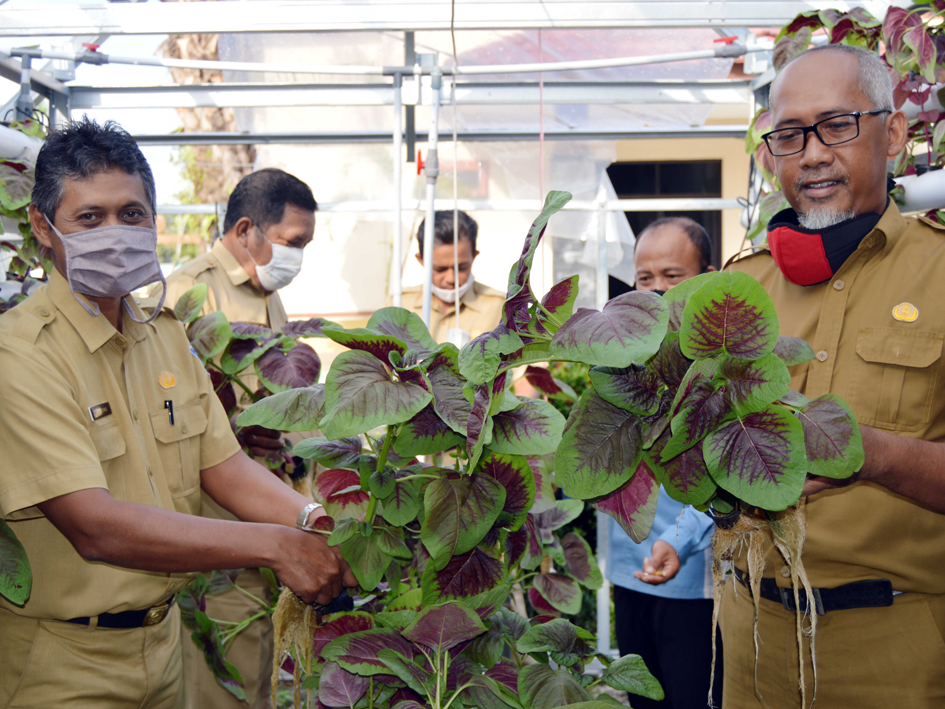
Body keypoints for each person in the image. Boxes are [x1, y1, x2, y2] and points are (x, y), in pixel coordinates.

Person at [0, 119, 355, 709]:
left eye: (132, 213)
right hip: (61, 664)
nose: (115, 231)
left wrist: (313, 520)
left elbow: (224, 467)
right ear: (43, 227)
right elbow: (95, 526)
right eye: (89, 218)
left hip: (164, 648)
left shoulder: (162, 334)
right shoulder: (19, 355)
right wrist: (274, 546)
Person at [651, 45, 945, 707]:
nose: (811, 153)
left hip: (898, 649)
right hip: (749, 642)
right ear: (766, 156)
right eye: (787, 135)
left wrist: (873, 455)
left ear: (893, 133)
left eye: (837, 125)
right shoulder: (732, 289)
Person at [157, 168, 317, 709]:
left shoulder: (264, 293)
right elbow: (171, 411)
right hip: (219, 519)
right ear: (247, 229)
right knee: (222, 672)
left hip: (265, 508)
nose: (297, 257)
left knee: (259, 663)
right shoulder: (191, 290)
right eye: (293, 243)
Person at [606, 216, 721, 709]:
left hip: (690, 578)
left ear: (706, 276)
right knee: (642, 701)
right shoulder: (620, 360)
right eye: (644, 279)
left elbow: (726, 474)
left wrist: (677, 539)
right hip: (629, 570)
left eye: (672, 277)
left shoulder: (719, 363)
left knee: (689, 697)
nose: (656, 291)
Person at [397, 210, 505, 342]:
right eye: (440, 269)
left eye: (461, 268)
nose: (451, 279)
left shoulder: (500, 308)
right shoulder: (399, 305)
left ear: (474, 256)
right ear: (421, 260)